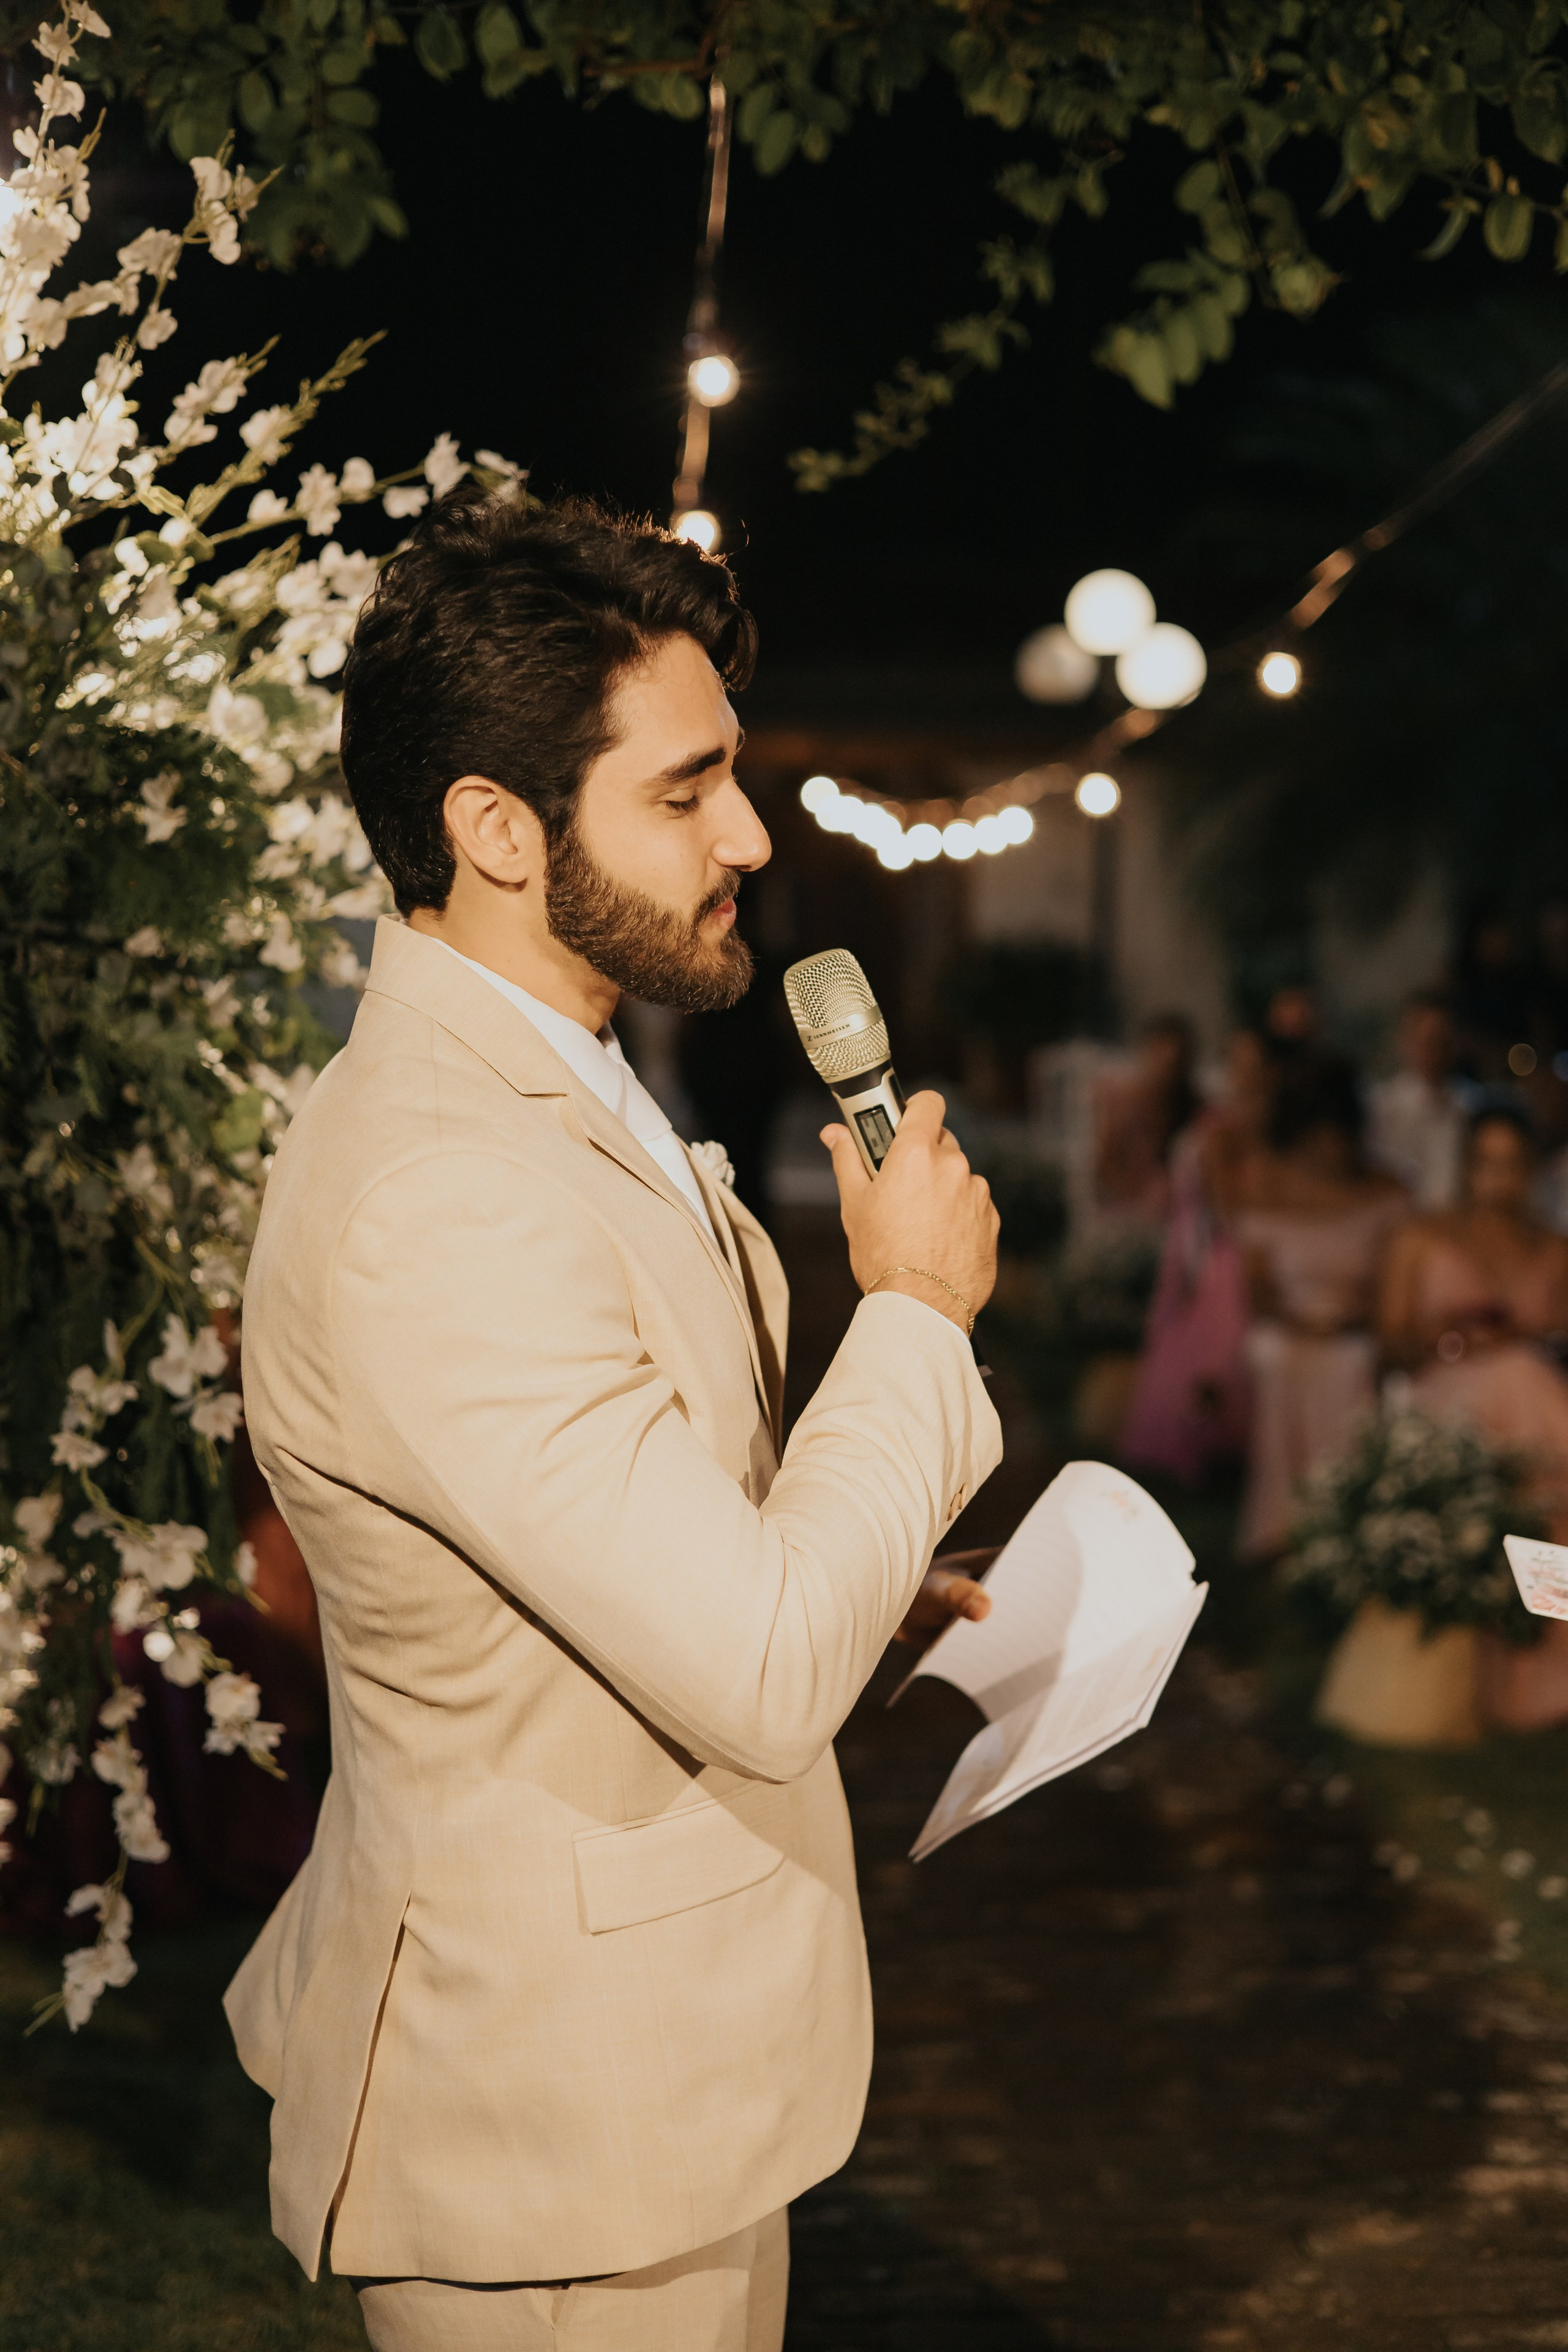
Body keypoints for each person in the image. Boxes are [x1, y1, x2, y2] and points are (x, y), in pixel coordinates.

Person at [222, 492, 1003, 2352]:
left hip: (665, 2094)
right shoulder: (442, 1188)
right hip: (550, 2139)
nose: (745, 833)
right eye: (682, 790)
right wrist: (908, 1311)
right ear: (495, 826)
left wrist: (855, 1553)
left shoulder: (559, 1076)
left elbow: (633, 1534)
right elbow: (746, 1664)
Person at [1379, 1104, 1568, 1729]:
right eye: (1486, 1164)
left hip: (1532, 1411)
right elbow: (1392, 1347)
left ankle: (1542, 1661)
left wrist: (1522, 1333)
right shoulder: (1423, 1236)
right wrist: (1444, 1330)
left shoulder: (1551, 1247)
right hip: (1449, 1406)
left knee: (1540, 1454)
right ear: (1465, 1167)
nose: (1499, 1180)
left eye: (1512, 1166)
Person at [1235, 1054, 1408, 1557]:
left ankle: (1348, 1518)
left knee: (1351, 1362)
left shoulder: (1385, 1192)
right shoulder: (1269, 1189)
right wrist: (1307, 1323)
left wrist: (1351, 1320)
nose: (1328, 1149)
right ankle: (1284, 1523)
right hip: (1290, 1329)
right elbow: (1259, 1294)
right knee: (1279, 1359)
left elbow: (1395, 1286)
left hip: (1358, 1327)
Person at [1118, 1027, 1269, 1485]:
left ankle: (1218, 1445)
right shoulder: (1218, 1126)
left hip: (1216, 1249)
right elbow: (1219, 1210)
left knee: (1215, 1353)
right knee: (1205, 1351)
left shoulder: (1240, 1127)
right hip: (1209, 1249)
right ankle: (1202, 1444)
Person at [1090, 1012, 1199, 1231]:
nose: (1169, 1071)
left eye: (1177, 1063)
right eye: (1163, 1060)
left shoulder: (1197, 1110)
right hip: (1133, 1216)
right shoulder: (1124, 1107)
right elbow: (1104, 1172)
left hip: (1182, 1217)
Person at [1365, 990, 1467, 1209]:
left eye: (1441, 1040)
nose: (1432, 1051)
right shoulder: (1381, 1106)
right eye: (1424, 1040)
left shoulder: (1472, 1105)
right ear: (1403, 1041)